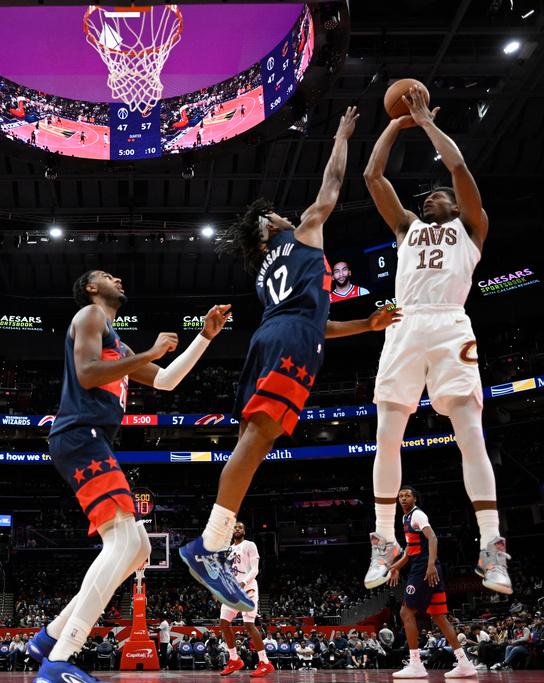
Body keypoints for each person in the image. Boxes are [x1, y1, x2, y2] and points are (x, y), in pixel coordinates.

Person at [179, 107, 399, 609]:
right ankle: (209, 544)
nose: (283, 212)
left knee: (249, 442)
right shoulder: (303, 234)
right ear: (267, 228)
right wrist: (342, 135)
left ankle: (211, 540)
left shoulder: (263, 275)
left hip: (269, 338)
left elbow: (314, 318)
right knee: (258, 441)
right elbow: (333, 184)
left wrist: (365, 324)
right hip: (293, 342)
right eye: (274, 213)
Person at [28, 270, 232, 683]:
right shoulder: (89, 315)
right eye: (106, 275)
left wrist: (205, 338)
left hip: (90, 438)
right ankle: (61, 659)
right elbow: (86, 374)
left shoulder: (116, 342)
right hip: (78, 434)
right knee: (122, 540)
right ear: (90, 288)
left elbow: (166, 380)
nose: (118, 278)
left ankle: (49, 638)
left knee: (138, 546)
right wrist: (151, 350)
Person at [362, 85, 511, 595]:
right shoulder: (406, 228)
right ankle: (383, 541)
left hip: (451, 324)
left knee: (470, 433)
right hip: (406, 324)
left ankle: (492, 548)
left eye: (437, 195)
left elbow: (461, 170)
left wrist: (425, 122)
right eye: (427, 197)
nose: (432, 197)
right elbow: (372, 176)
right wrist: (394, 124)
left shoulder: (472, 229)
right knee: (387, 433)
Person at [386, 486, 476, 678]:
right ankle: (465, 663)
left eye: (407, 496)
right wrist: (397, 566)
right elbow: (411, 549)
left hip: (424, 570)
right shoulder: (405, 518)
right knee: (439, 618)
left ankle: (416, 664)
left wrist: (430, 565)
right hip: (426, 567)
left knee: (406, 612)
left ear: (415, 499)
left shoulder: (418, 515)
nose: (403, 498)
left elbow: (433, 538)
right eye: (401, 496)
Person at [218, 522, 273, 677]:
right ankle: (234, 659)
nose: (237, 529)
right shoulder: (228, 550)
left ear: (244, 531)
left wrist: (243, 582)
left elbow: (255, 569)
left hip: (248, 589)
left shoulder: (250, 545)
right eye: (235, 527)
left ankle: (265, 662)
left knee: (249, 624)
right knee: (223, 623)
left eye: (240, 527)